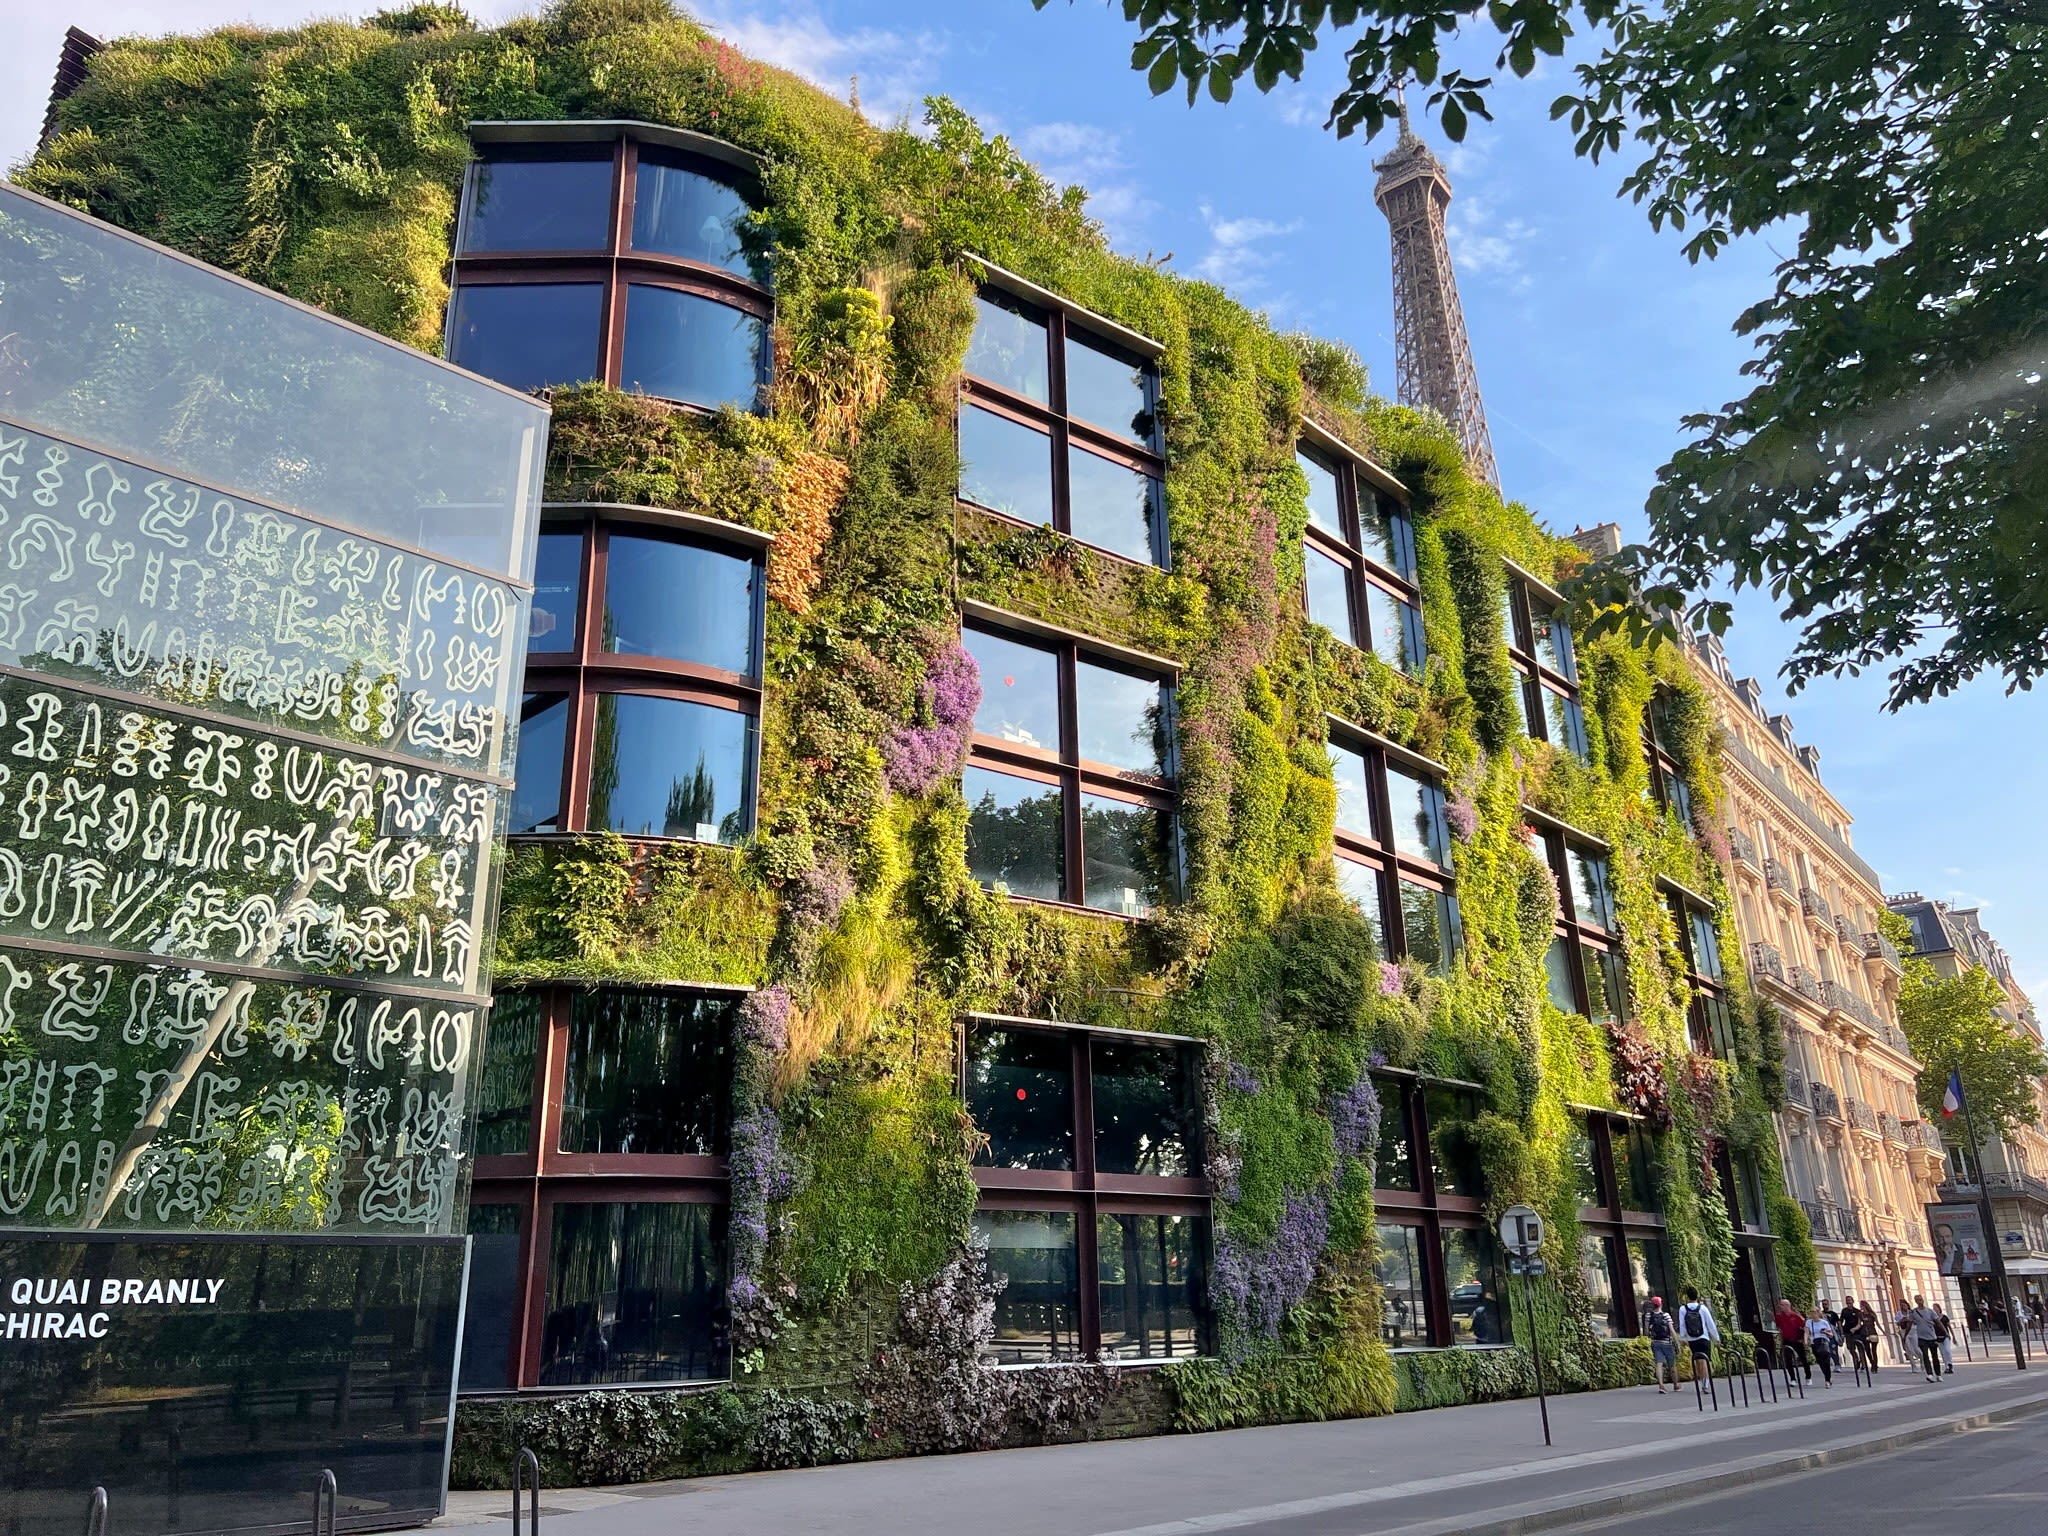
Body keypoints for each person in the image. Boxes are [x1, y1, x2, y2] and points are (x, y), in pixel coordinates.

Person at [1678, 1285, 1720, 1386]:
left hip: (1691, 1339)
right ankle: (1705, 1383)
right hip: (1703, 1337)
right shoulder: (1703, 1308)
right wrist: (1716, 1338)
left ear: (1687, 1297)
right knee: (1704, 1360)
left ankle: (1701, 1380)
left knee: (1697, 1360)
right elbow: (1710, 1324)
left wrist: (1683, 1338)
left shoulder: (1683, 1309)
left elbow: (1682, 1324)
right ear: (1697, 1296)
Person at [1644, 1293, 1679, 1393]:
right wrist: (1676, 1341)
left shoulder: (1648, 1316)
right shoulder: (1666, 1315)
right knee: (1672, 1364)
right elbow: (1671, 1330)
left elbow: (1646, 1331)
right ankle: (1676, 1385)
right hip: (1667, 1342)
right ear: (1661, 1304)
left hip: (1655, 1342)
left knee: (1659, 1364)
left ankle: (1661, 1385)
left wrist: (1649, 1337)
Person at [1773, 1296, 1812, 1380]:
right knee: (1788, 1360)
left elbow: (1805, 1328)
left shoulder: (1796, 1316)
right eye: (1780, 1305)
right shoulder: (1779, 1316)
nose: (1780, 1306)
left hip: (1797, 1340)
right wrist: (1781, 1340)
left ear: (1787, 1306)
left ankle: (1808, 1376)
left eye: (1782, 1305)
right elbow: (1780, 1329)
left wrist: (1804, 1339)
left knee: (1803, 1358)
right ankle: (1793, 1378)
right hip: (1787, 1340)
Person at [1907, 1293, 1943, 1380]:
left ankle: (1938, 1374)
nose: (1920, 1301)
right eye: (1918, 1300)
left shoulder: (1930, 1311)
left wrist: (1945, 1332)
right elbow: (1909, 1323)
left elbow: (1938, 1322)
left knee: (1935, 1356)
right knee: (1925, 1356)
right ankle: (1930, 1374)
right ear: (1915, 1301)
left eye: (1921, 1299)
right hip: (1921, 1338)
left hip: (1932, 1337)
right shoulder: (1913, 1312)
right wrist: (1905, 1335)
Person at [1806, 1304, 1840, 1386]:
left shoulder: (1824, 1322)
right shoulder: (1809, 1322)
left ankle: (1827, 1380)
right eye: (1811, 1312)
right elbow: (1806, 1332)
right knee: (1820, 1362)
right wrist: (1806, 1341)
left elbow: (1831, 1334)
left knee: (1826, 1361)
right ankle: (1827, 1377)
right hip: (1815, 1343)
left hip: (1824, 1342)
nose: (1812, 1314)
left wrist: (1825, 1332)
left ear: (1818, 1313)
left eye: (1814, 1312)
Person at [1934, 1303, 1956, 1374]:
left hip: (1945, 1336)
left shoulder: (1944, 1317)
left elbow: (1949, 1327)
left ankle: (1950, 1364)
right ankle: (1946, 1366)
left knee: (1947, 1350)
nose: (1935, 1309)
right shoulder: (1934, 1318)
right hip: (1938, 1337)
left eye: (1936, 1308)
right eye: (1934, 1308)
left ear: (1939, 1308)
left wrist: (1953, 1336)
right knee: (1943, 1353)